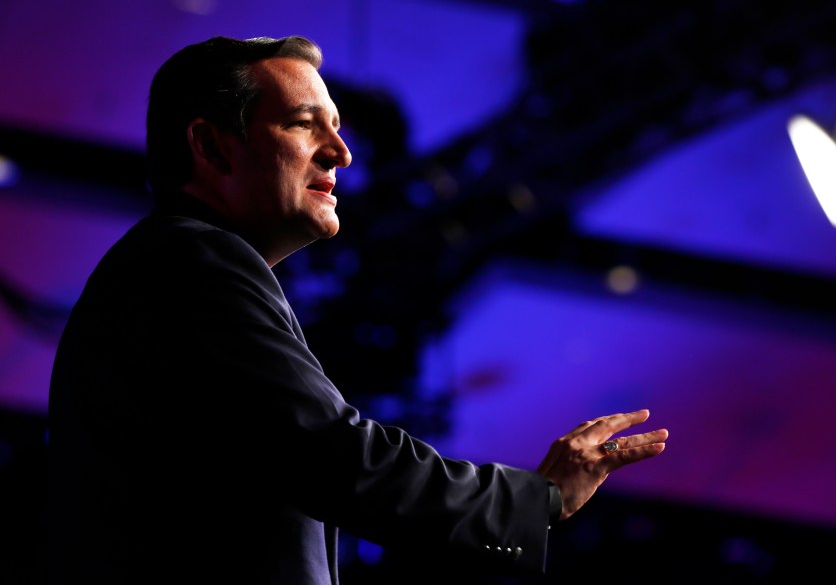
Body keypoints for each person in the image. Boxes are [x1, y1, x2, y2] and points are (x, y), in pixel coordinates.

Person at [46, 35, 669, 585]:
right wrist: (537, 502)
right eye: (303, 123)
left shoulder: (178, 266)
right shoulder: (193, 262)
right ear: (211, 146)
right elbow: (334, 457)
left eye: (338, 126)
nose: (341, 152)